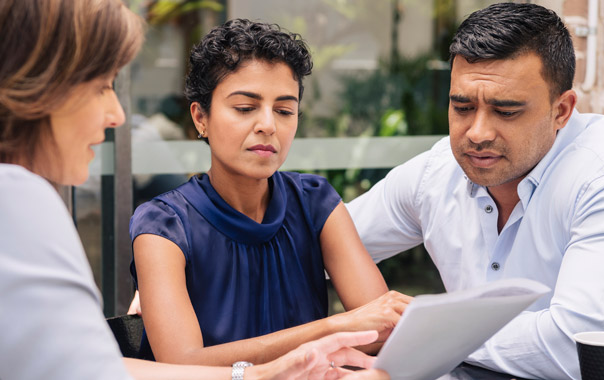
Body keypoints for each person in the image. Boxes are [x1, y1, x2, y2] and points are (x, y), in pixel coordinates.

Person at [0, 1, 391, 379]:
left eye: (285, 110)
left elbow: (97, 365)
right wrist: (328, 333)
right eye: (99, 86)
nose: (117, 114)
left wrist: (257, 372)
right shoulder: (8, 202)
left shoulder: (313, 199)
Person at [347, 3, 604, 380]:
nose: (477, 133)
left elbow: (578, 346)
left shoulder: (603, 176)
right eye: (462, 106)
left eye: (506, 111)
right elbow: (324, 243)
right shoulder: (437, 172)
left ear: (562, 111)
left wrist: (430, 332)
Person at [129, 19, 411, 367]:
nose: (268, 125)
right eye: (245, 108)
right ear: (200, 118)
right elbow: (184, 363)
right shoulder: (163, 225)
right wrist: (335, 327)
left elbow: (383, 329)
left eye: (284, 110)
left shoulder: (315, 202)